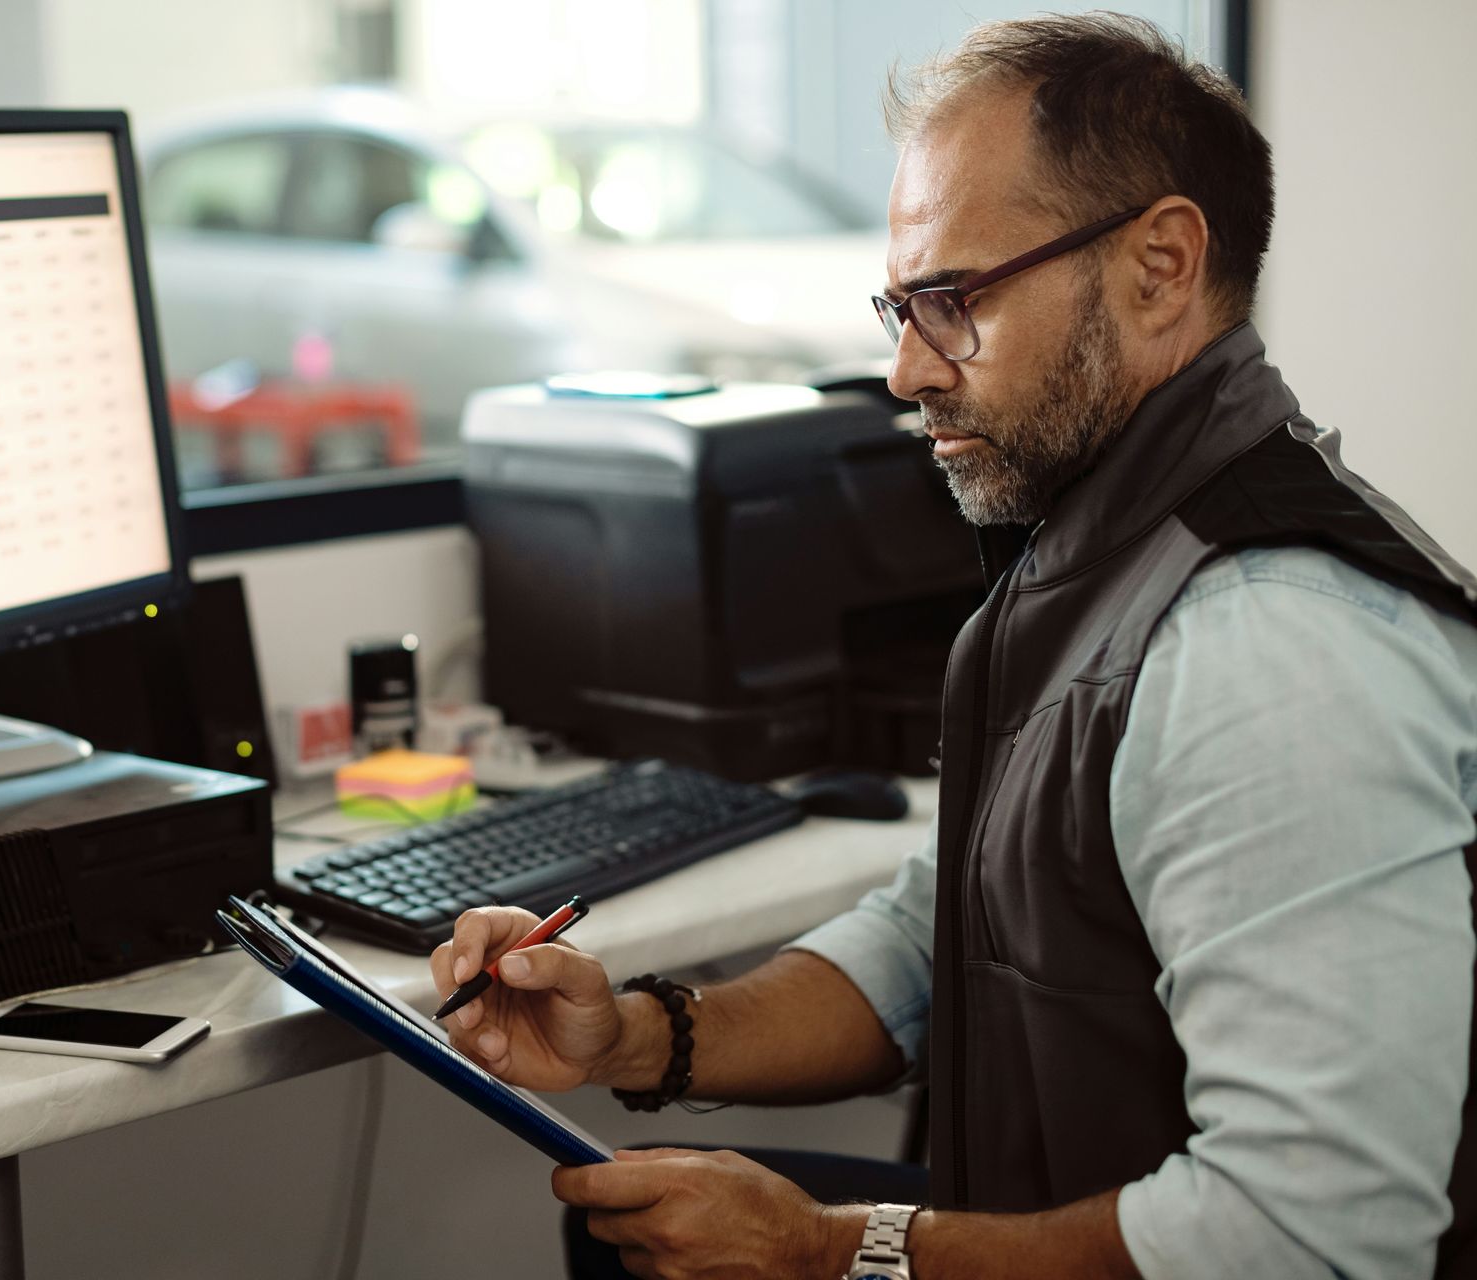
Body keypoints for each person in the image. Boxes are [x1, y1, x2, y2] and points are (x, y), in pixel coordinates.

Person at [431, 13, 1477, 1280]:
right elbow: (946, 939)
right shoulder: (1095, 548)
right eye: (899, 304)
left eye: (953, 301)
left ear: (1159, 265)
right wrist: (640, 1035)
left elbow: (1308, 1239)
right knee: (623, 1231)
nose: (903, 369)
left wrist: (836, 1251)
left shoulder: (1274, 649)